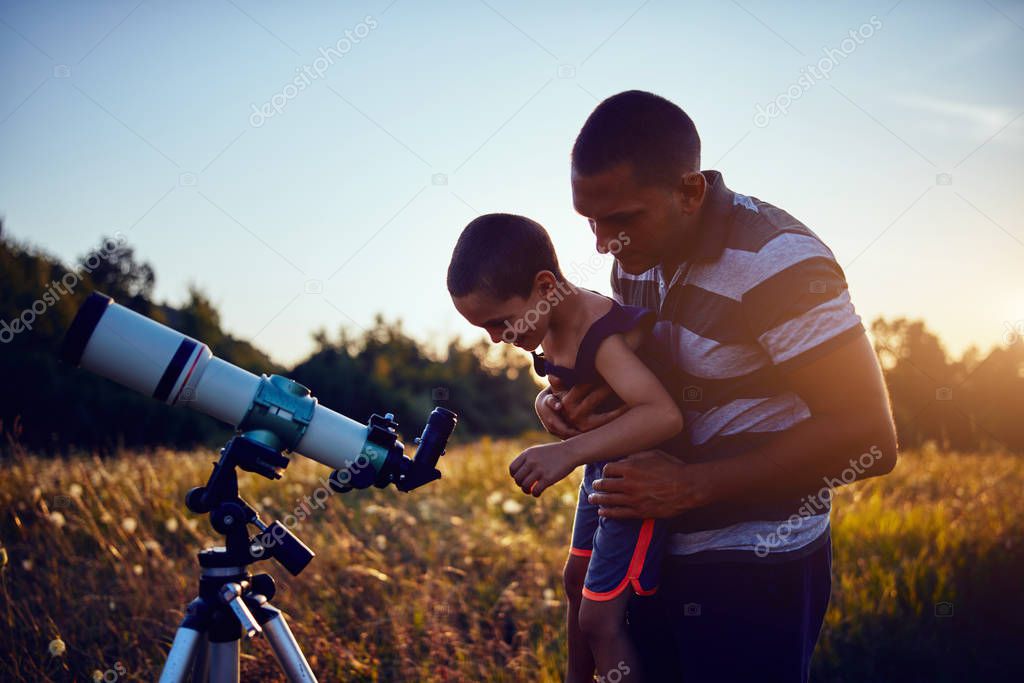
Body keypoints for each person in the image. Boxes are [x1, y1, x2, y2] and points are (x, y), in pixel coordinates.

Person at [533, 90, 900, 681]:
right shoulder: (634, 252)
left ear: (690, 191)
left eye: (620, 219)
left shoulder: (779, 264)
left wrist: (693, 487)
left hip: (755, 567)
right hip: (651, 549)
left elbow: (871, 439)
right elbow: (649, 385)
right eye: (591, 222)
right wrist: (569, 402)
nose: (603, 244)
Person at [447, 213, 684, 682]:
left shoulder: (601, 336)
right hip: (600, 472)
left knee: (600, 618)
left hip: (634, 482)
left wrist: (566, 452)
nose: (497, 339)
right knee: (574, 582)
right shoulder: (549, 325)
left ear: (544, 285)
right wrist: (543, 401)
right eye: (486, 330)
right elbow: (565, 390)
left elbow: (663, 415)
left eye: (500, 322)